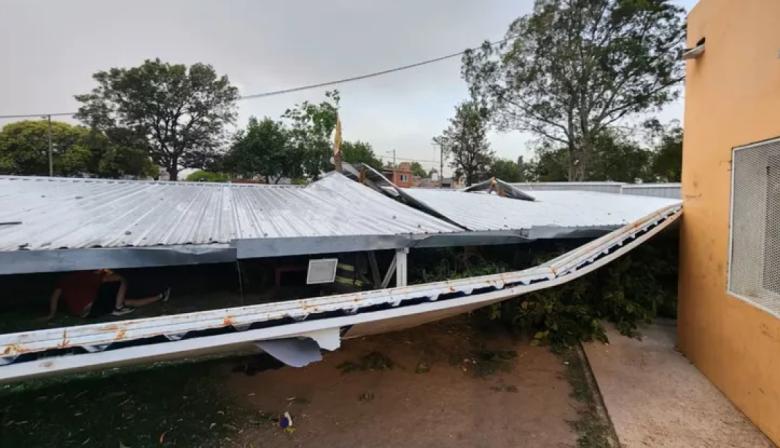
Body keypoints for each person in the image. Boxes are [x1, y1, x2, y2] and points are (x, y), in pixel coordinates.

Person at [44, 268, 170, 319]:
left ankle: (160, 296)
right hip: (95, 308)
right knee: (121, 279)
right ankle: (118, 308)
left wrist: (51, 314)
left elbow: (54, 297)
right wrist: (107, 271)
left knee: (126, 300)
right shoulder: (88, 275)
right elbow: (113, 277)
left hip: (83, 314)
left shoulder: (63, 281)